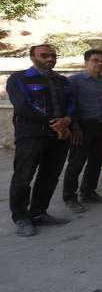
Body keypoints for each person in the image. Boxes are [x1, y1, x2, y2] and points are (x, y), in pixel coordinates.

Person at [6, 44, 75, 236]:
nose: (50, 59)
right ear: (32, 57)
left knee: (50, 175)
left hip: (59, 135)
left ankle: (38, 213)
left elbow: (71, 103)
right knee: (24, 176)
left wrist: (67, 120)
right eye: (44, 55)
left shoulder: (62, 80)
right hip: (31, 134)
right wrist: (54, 122)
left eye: (53, 56)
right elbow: (23, 105)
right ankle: (21, 218)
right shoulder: (19, 78)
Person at [62, 49, 102, 213]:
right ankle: (70, 197)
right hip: (82, 127)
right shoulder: (74, 81)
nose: (99, 64)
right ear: (86, 62)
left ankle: (88, 192)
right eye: (95, 60)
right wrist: (74, 128)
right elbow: (69, 106)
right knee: (76, 163)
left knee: (96, 162)